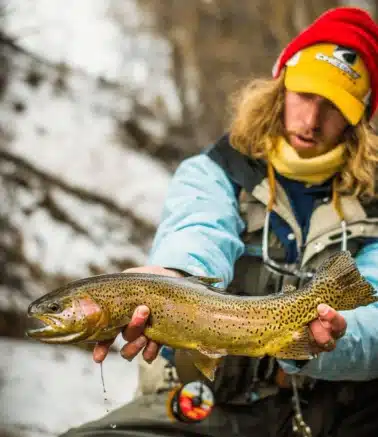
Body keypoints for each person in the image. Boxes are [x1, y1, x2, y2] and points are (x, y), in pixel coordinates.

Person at [61, 6, 378, 437]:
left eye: (333, 105)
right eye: (304, 94)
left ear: (358, 119)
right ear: (280, 87)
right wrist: (176, 276)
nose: (311, 120)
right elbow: (198, 231)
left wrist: (337, 338)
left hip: (332, 412)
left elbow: (374, 319)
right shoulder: (214, 171)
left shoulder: (372, 203)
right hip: (206, 402)